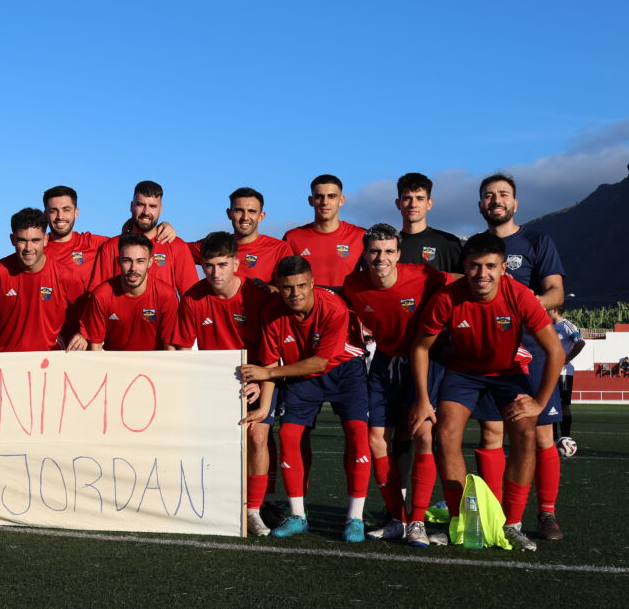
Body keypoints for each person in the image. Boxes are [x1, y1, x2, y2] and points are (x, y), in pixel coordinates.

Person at [409, 232, 564, 551]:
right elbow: (420, 347)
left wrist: (538, 402)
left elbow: (555, 351)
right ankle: (461, 520)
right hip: (463, 374)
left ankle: (513, 523)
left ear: (504, 267)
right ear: (465, 267)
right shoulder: (447, 298)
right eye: (475, 266)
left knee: (525, 433)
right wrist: (424, 400)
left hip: (508, 373)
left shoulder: (520, 296)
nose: (483, 274)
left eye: (490, 266)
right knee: (447, 435)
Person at [240, 255, 371, 543]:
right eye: (287, 287)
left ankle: (355, 518)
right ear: (279, 286)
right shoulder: (272, 313)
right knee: (288, 435)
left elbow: (319, 363)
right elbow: (272, 362)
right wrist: (263, 408)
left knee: (358, 434)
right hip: (299, 374)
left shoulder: (333, 307)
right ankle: (298, 515)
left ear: (312, 283)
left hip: (343, 371)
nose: (295, 293)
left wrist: (268, 372)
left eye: (301, 285)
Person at [341, 224, 452, 547]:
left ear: (399, 254)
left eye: (389, 251)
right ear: (364, 253)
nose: (381, 258)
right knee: (376, 439)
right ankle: (396, 519)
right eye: (375, 251)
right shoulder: (354, 285)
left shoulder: (424, 276)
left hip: (424, 361)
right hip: (384, 362)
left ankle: (417, 520)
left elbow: (458, 282)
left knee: (424, 434)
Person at [474, 173, 568, 540]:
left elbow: (557, 292)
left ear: (516, 202)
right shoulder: (477, 246)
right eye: (488, 195)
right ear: (480, 204)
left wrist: (520, 308)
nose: (496, 200)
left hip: (533, 348)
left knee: (541, 433)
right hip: (491, 353)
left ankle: (546, 514)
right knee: (492, 432)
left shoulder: (536, 240)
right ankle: (494, 512)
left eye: (503, 195)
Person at [171, 232, 278, 537]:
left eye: (221, 264)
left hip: (258, 377)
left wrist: (261, 379)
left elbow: (272, 352)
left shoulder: (258, 296)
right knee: (212, 443)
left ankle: (254, 510)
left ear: (236, 262)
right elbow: (180, 348)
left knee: (257, 436)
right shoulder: (193, 297)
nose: (215, 273)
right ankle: (215, 502)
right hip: (214, 382)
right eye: (208, 266)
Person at [0, 208, 83, 353]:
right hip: (6, 361)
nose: (28, 248)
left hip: (49, 363)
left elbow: (86, 313)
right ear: (12, 239)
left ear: (46, 240)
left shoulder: (65, 275)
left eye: (35, 240)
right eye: (22, 240)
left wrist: (83, 335)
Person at [88, 181, 198, 295]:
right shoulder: (111, 247)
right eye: (140, 205)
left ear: (161, 209)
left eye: (153, 206)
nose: (146, 212)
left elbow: (190, 297)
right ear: (131, 206)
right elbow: (97, 295)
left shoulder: (177, 246)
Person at [78, 232, 179, 351]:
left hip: (154, 367)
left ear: (150, 262)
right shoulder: (101, 295)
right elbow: (95, 348)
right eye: (127, 260)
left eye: (140, 261)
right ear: (118, 261)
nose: (133, 268)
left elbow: (170, 349)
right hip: (114, 367)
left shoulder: (166, 295)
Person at [189, 187, 291, 284]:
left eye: (251, 211)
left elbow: (290, 288)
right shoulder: (213, 244)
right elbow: (176, 248)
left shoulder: (279, 249)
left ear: (261, 216)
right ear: (229, 213)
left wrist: (268, 290)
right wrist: (171, 228)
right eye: (239, 211)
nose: (245, 217)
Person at [284, 175, 365, 290]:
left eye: (331, 196)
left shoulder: (360, 235)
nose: (325, 202)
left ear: (341, 200)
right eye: (319, 197)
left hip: (346, 306)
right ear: (311, 201)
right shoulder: (292, 237)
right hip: (308, 307)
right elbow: (284, 280)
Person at [42, 186, 111, 290]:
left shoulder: (93, 243)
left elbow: (132, 244)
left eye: (66, 210)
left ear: (76, 213)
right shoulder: (36, 248)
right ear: (45, 215)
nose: (60, 216)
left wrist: (132, 224)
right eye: (53, 211)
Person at [395, 172, 463, 273]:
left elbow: (461, 283)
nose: (413, 204)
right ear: (398, 204)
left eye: (420, 198)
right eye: (407, 198)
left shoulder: (449, 243)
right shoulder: (390, 245)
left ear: (429, 204)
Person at [549, 305, 585, 449]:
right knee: (550, 406)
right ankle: (553, 440)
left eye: (548, 309)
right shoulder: (550, 326)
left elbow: (580, 342)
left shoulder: (566, 325)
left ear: (555, 309)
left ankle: (565, 438)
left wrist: (566, 359)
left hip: (563, 373)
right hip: (550, 372)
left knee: (563, 405)